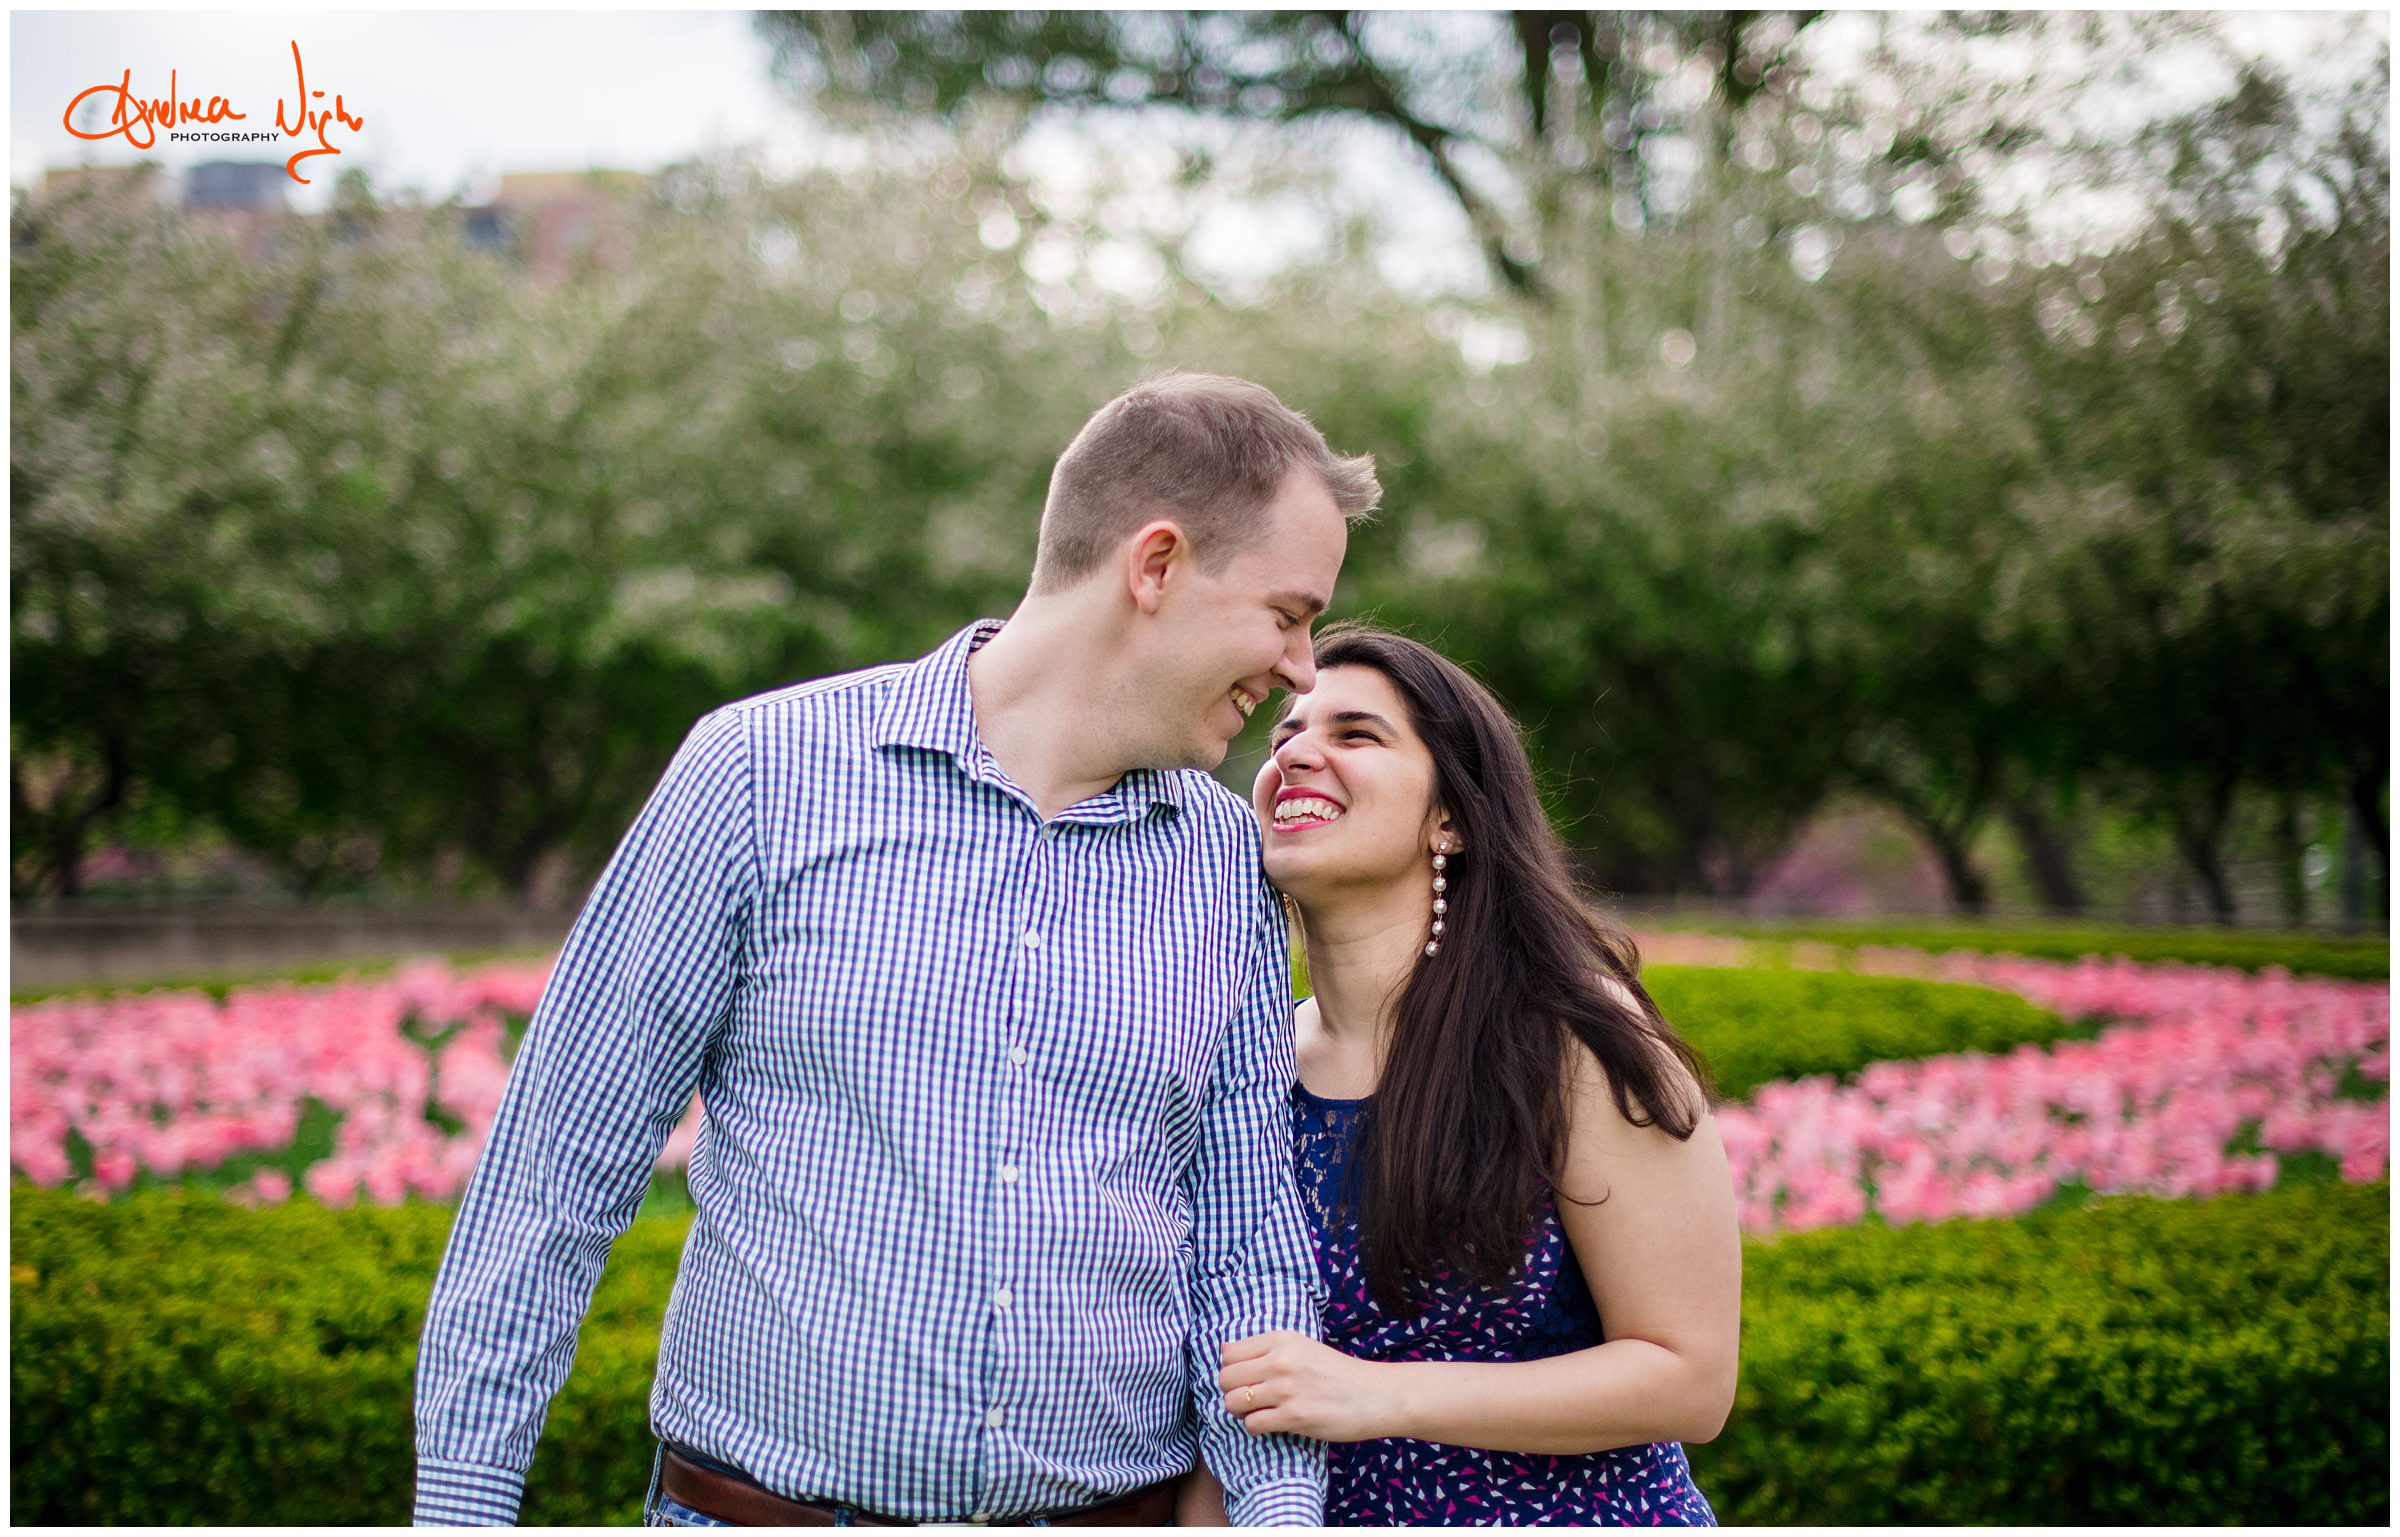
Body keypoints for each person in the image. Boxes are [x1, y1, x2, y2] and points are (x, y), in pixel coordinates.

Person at [411, 373, 1382, 1527]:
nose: (1302, 669)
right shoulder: (759, 776)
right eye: (1287, 613)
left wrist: (1280, 1514)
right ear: (1156, 564)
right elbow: (552, 1179)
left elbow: (1243, 1238)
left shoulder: (1223, 857)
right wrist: (462, 1513)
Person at [1178, 623, 1741, 1526]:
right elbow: (1236, 1393)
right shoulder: (1244, 1063)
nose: (1296, 756)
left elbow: (1690, 1376)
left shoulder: (1567, 1038)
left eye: (1355, 735)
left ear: (1452, 817)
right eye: (1285, 735)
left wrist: (1379, 1394)